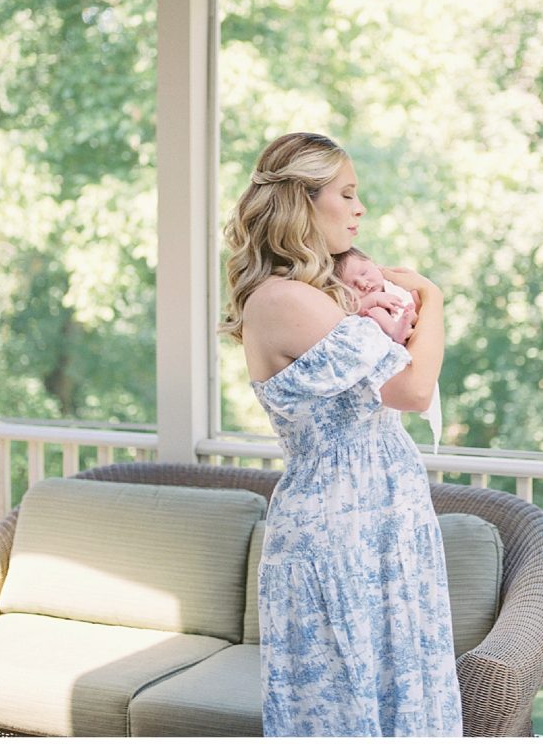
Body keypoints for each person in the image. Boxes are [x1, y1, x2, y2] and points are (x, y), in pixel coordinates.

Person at [221, 131, 463, 737]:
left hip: (381, 526)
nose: (360, 210)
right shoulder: (283, 300)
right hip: (337, 535)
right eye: (346, 194)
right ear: (302, 202)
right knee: (347, 708)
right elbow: (411, 389)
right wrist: (431, 297)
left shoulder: (322, 295)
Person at [334, 246, 444, 454]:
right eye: (351, 286)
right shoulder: (357, 310)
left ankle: (403, 326)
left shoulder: (395, 289)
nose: (364, 284)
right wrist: (373, 300)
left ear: (377, 266)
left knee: (405, 315)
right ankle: (398, 329)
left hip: (399, 343)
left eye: (365, 273)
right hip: (384, 332)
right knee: (375, 311)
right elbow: (351, 309)